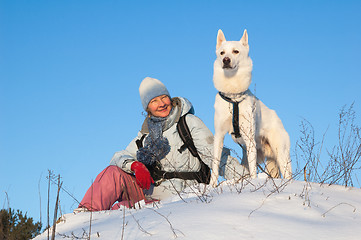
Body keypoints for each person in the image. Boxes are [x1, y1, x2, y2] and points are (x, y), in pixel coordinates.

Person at [75, 77, 248, 212]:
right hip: (151, 194)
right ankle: (84, 217)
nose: (162, 104)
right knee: (113, 173)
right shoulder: (146, 135)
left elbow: (215, 155)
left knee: (119, 212)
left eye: (164, 97)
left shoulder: (188, 122)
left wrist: (247, 182)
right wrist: (135, 165)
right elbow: (118, 156)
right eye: (154, 101)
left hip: (182, 196)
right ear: (147, 108)